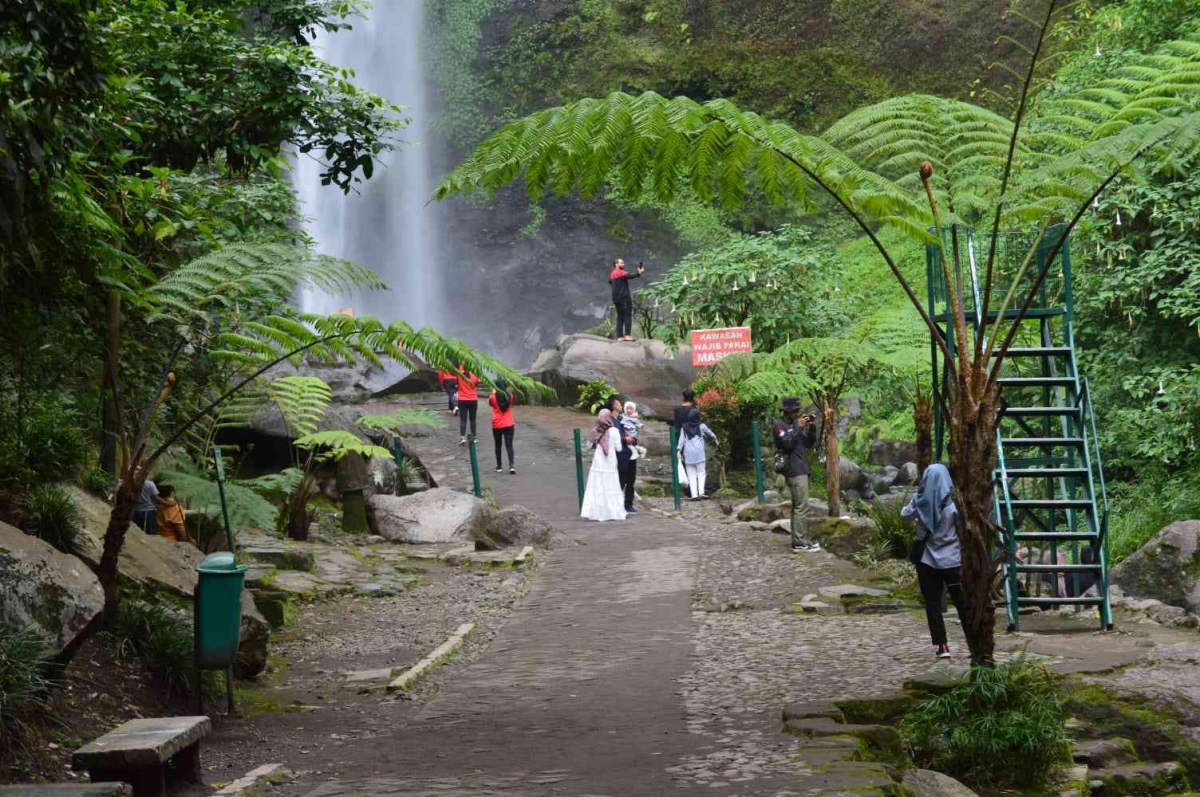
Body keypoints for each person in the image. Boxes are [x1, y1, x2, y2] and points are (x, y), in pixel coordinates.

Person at [902, 463, 968, 659]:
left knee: (932, 603)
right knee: (962, 604)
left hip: (927, 562)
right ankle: (973, 643)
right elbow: (963, 529)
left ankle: (942, 646)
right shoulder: (954, 503)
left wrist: (917, 497)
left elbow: (904, 515)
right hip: (953, 561)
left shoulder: (919, 501)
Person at [774, 398, 821, 552]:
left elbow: (809, 443)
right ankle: (800, 542)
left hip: (802, 467)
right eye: (795, 411)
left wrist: (812, 426)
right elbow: (787, 444)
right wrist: (797, 427)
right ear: (787, 411)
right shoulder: (780, 425)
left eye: (798, 410)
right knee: (801, 507)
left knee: (798, 506)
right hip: (794, 470)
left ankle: (800, 540)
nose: (797, 413)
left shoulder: (795, 425)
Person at [581, 409, 627, 521]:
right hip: (610, 461)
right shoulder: (614, 431)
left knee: (597, 485)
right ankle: (611, 512)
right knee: (611, 485)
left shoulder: (596, 430)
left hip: (598, 461)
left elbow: (588, 446)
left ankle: (596, 513)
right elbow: (619, 448)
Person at [677, 408, 718, 500]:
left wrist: (678, 450)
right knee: (701, 473)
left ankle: (694, 495)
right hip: (699, 454)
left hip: (688, 455)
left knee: (691, 475)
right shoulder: (702, 426)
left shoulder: (684, 427)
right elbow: (711, 434)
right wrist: (716, 440)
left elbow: (681, 440)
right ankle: (701, 492)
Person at [610, 396, 639, 515]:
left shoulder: (624, 419)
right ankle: (616, 505)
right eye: (619, 404)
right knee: (620, 480)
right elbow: (612, 437)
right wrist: (624, 440)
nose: (621, 406)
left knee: (631, 481)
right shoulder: (611, 421)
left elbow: (634, 432)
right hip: (620, 454)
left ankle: (628, 504)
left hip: (631, 453)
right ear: (614, 407)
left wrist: (633, 439)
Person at [608, 258, 645, 341]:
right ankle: (627, 335)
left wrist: (618, 286)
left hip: (615, 298)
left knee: (620, 316)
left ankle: (619, 336)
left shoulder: (612, 273)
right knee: (627, 315)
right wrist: (639, 273)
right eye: (621, 263)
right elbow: (630, 276)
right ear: (616, 264)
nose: (623, 264)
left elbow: (610, 282)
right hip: (624, 298)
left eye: (623, 263)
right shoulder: (620, 272)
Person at [489, 378, 516, 474]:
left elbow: (490, 404)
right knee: (509, 445)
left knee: (498, 445)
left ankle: (499, 466)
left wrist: (493, 392)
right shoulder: (510, 396)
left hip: (497, 424)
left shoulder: (492, 397)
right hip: (509, 423)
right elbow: (510, 391)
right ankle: (511, 466)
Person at [456, 364, 480, 445]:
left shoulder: (459, 375)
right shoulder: (474, 376)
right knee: (473, 419)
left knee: (463, 420)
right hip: (473, 399)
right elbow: (476, 385)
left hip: (462, 400)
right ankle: (474, 437)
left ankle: (462, 438)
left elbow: (457, 384)